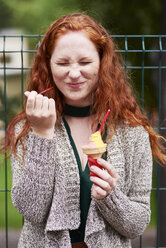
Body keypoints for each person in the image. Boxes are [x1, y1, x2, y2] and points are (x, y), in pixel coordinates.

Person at [1, 13, 166, 248]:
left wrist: (111, 196)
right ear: (48, 65)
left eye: (85, 62)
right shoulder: (28, 127)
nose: (74, 73)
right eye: (62, 63)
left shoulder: (132, 132)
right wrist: (42, 135)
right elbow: (31, 211)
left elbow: (137, 225)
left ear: (102, 62)